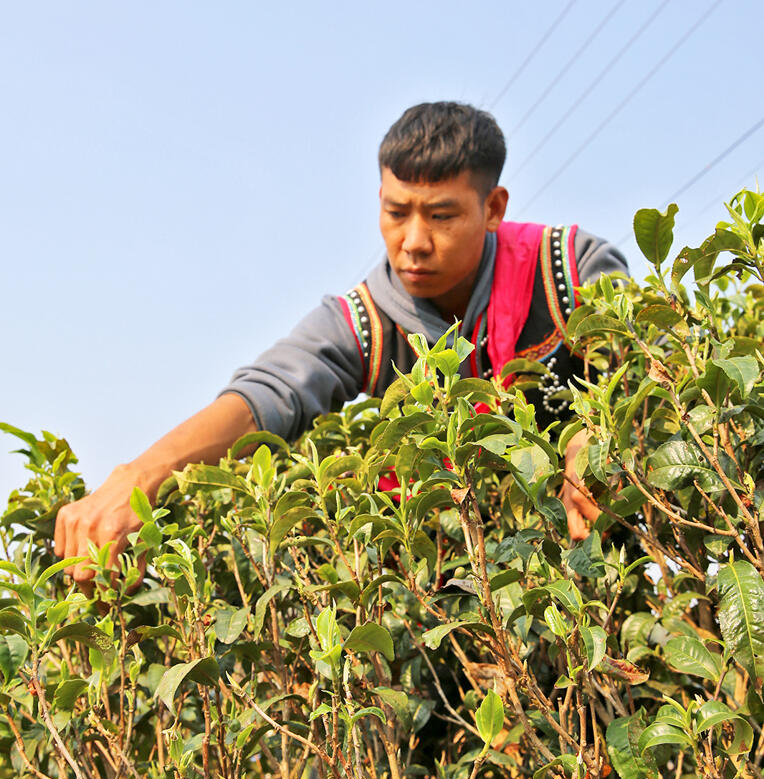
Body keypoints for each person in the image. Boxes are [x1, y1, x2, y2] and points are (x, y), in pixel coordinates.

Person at [55, 102, 628, 584]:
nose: (413, 243)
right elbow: (269, 393)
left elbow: (645, 365)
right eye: (395, 212)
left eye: (442, 216)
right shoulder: (364, 321)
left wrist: (595, 439)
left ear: (493, 209)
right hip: (462, 594)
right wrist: (141, 476)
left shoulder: (569, 269)